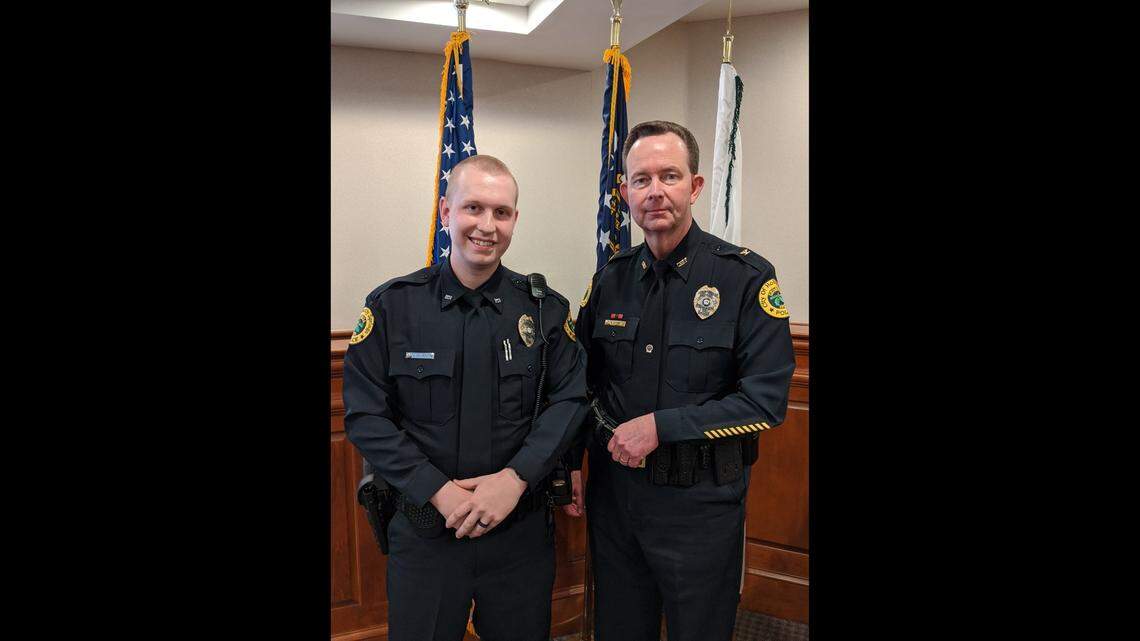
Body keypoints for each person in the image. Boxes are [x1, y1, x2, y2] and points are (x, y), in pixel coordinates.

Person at [343, 154, 589, 641]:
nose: (487, 225)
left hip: (518, 535)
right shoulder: (394, 306)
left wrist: (515, 479)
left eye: (501, 212)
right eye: (473, 207)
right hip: (427, 533)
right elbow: (365, 415)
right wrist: (439, 489)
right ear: (445, 211)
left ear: (515, 219)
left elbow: (570, 401)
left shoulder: (544, 312)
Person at [566, 121, 796, 641]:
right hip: (616, 501)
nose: (655, 191)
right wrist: (570, 463)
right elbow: (581, 383)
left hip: (701, 506)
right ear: (625, 192)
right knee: (619, 630)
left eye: (669, 176)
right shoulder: (610, 278)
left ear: (694, 187)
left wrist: (661, 427)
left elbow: (765, 401)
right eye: (641, 179)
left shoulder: (745, 278)